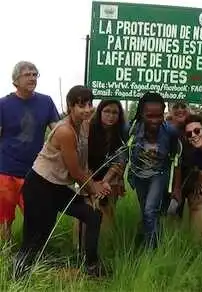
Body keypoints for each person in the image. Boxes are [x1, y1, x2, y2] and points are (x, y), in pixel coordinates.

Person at [13, 85, 111, 278]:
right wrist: (94, 188)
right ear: (70, 107)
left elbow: (82, 162)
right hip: (39, 185)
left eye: (90, 104)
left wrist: (95, 183)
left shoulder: (84, 125)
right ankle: (18, 276)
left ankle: (92, 266)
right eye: (81, 105)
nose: (87, 109)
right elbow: (75, 172)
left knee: (93, 216)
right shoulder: (64, 131)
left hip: (58, 186)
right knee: (36, 236)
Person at [0, 61, 59, 241]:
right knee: (4, 219)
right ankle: (6, 256)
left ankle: (35, 256)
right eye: (28, 75)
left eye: (35, 74)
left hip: (35, 170)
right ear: (16, 80)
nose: (33, 78)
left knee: (37, 217)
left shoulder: (46, 101)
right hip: (6, 170)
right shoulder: (3, 104)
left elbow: (57, 132)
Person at [128, 92, 181, 248]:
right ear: (141, 114)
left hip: (159, 174)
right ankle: (149, 239)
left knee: (150, 210)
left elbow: (177, 158)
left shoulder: (170, 132)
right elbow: (123, 154)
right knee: (146, 211)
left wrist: (176, 187)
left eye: (159, 116)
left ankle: (151, 251)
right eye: (149, 116)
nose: (155, 121)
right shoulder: (132, 129)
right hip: (138, 175)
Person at [88, 99, 127, 231]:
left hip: (110, 178)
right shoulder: (88, 129)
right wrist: (93, 184)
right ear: (100, 112)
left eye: (115, 112)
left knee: (107, 211)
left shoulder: (122, 133)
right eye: (107, 111)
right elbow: (82, 159)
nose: (111, 116)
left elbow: (120, 161)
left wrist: (105, 182)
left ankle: (106, 244)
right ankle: (79, 247)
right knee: (88, 211)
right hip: (88, 177)